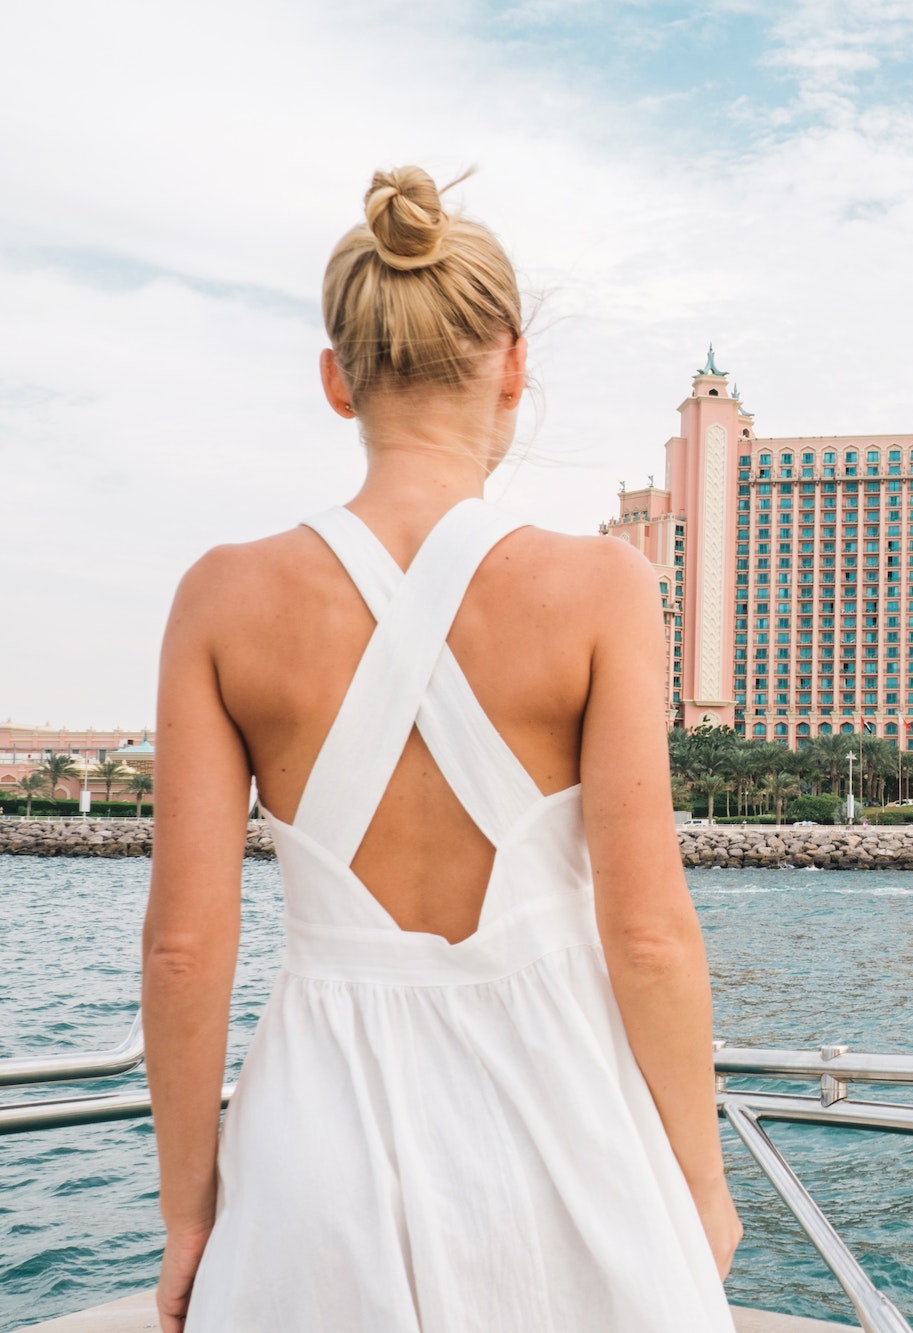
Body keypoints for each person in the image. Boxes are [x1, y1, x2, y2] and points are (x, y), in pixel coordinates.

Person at [142, 166, 739, 1331]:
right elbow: (650, 934)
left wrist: (189, 1216)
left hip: (318, 1158)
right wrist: (702, 1187)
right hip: (569, 1142)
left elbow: (181, 948)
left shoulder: (221, 598)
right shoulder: (602, 587)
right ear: (513, 364)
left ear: (336, 379)